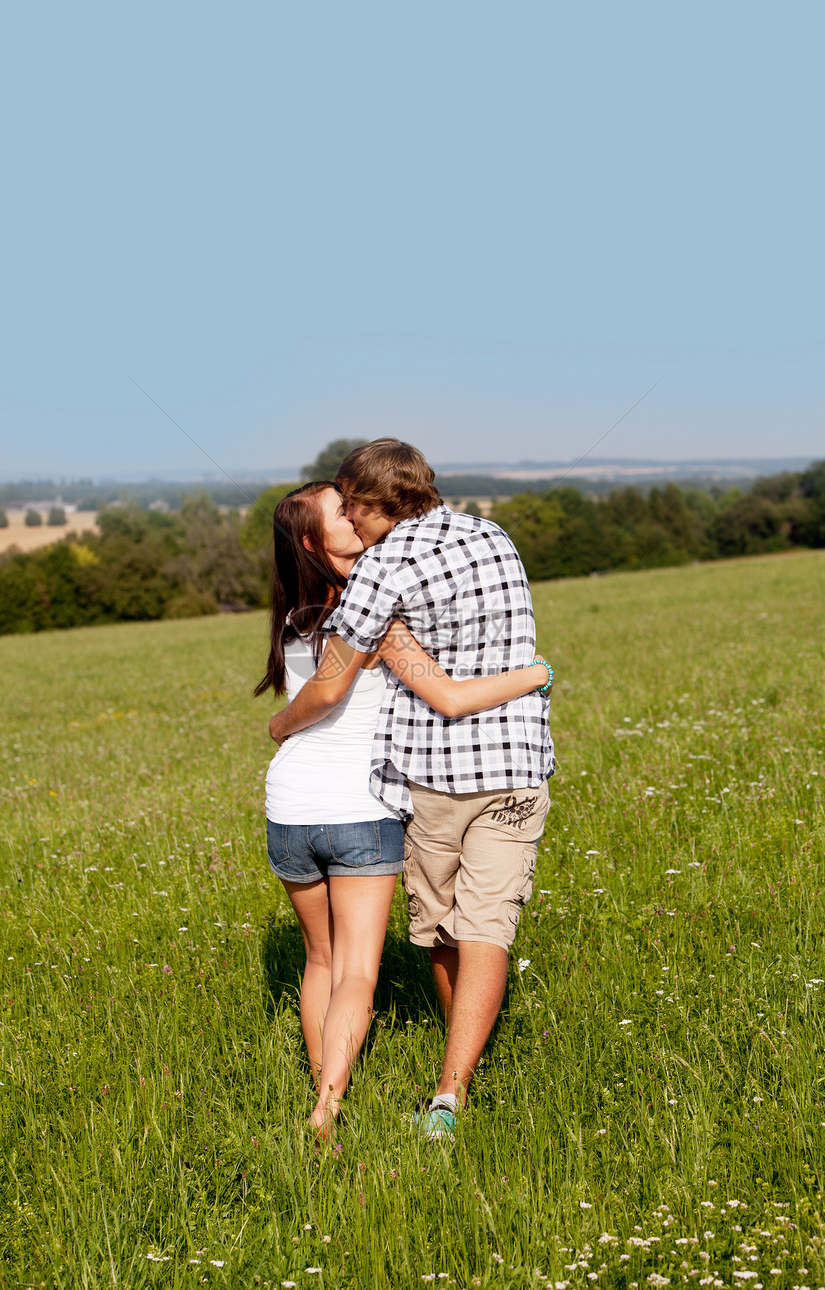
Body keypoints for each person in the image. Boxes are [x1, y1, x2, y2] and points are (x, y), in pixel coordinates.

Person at [268, 442, 555, 1140]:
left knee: (365, 952)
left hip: (356, 792)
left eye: (351, 510)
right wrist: (536, 675)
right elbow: (445, 677)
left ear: (369, 506)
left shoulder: (336, 598)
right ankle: (436, 1091)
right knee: (454, 938)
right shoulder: (490, 537)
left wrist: (277, 726)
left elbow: (329, 682)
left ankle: (337, 1102)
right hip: (461, 778)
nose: (354, 528)